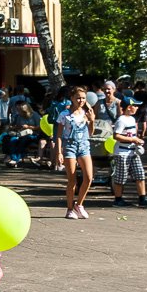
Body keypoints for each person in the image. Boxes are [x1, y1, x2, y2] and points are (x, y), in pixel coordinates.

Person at [58, 87, 95, 219]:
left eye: (83, 98)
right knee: (72, 180)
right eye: (78, 98)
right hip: (70, 146)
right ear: (72, 98)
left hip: (84, 145)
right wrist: (59, 152)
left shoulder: (87, 113)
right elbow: (59, 135)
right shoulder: (65, 114)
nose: (81, 100)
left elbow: (90, 133)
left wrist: (92, 120)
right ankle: (69, 209)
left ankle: (79, 204)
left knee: (89, 177)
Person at [110, 95, 147, 207]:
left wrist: (137, 141)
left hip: (133, 152)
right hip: (122, 153)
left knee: (140, 174)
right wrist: (133, 140)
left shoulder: (132, 119)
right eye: (135, 106)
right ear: (129, 107)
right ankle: (118, 199)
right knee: (121, 176)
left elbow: (132, 134)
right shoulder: (121, 120)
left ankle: (142, 198)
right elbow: (116, 136)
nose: (137, 108)